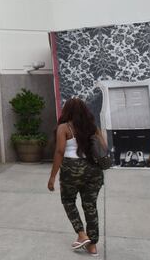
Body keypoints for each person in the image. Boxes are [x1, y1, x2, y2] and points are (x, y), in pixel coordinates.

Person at [48, 98, 104, 257]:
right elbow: (104, 147)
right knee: (90, 206)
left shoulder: (64, 128)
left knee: (68, 201)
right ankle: (92, 246)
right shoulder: (92, 127)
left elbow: (59, 152)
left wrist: (52, 177)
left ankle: (81, 234)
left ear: (67, 111)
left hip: (71, 170)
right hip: (93, 171)